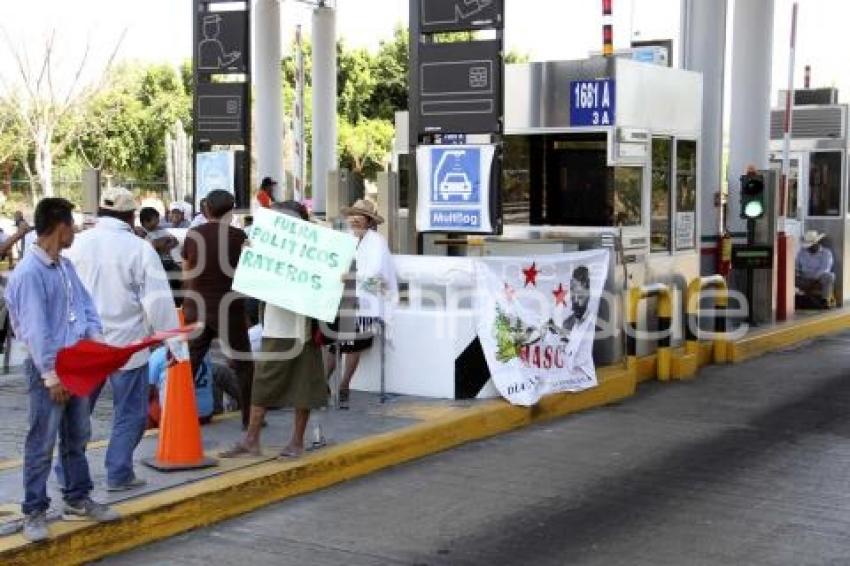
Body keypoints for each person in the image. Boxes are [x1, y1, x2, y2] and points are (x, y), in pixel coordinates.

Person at [5, 198, 119, 542]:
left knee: (77, 437)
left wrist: (95, 345)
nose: (75, 231)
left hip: (76, 366)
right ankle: (35, 510)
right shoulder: (29, 273)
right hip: (49, 372)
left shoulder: (65, 268)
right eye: (72, 224)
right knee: (42, 442)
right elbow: (35, 330)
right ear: (60, 225)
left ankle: (77, 496)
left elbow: (86, 307)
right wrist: (51, 375)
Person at [64, 187, 180, 491]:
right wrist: (174, 344)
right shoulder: (139, 249)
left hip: (84, 346)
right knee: (130, 412)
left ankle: (66, 474)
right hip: (127, 347)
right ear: (131, 217)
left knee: (77, 414)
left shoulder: (76, 245)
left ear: (100, 213)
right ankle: (118, 472)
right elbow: (158, 302)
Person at [220, 201, 327, 459]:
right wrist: (251, 257)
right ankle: (252, 439)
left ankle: (294, 441)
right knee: (264, 383)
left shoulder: (314, 250)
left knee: (303, 386)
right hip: (277, 326)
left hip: (301, 327)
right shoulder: (271, 247)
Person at [182, 189, 254, 427]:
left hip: (196, 306)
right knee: (243, 363)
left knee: (190, 361)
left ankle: (177, 414)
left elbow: (186, 271)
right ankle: (248, 418)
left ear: (206, 209)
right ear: (231, 211)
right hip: (228, 307)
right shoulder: (238, 236)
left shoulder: (193, 234)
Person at [327, 199, 398, 409]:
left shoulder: (376, 241)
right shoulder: (346, 238)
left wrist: (352, 276)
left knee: (351, 341)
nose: (355, 219)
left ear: (369, 221)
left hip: (366, 300)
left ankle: (344, 384)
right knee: (332, 343)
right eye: (353, 215)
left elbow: (377, 272)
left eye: (360, 216)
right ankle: (322, 384)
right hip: (343, 297)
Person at [796, 230, 835, 309]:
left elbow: (825, 269)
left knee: (829, 276)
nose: (808, 248)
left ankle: (825, 300)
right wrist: (796, 273)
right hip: (804, 277)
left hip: (818, 278)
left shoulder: (826, 253)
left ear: (817, 243)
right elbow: (796, 266)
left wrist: (813, 279)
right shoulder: (801, 252)